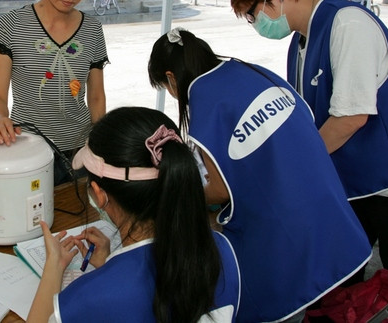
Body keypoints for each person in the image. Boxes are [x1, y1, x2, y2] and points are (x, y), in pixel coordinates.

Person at [147, 28, 371, 322]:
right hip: (333, 216)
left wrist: (177, 192)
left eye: (165, 86)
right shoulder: (249, 70)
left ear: (171, 78)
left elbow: (219, 191)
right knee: (336, 306)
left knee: (268, 299)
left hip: (288, 236)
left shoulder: (205, 97)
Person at [229, 0, 388, 282]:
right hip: (354, 186)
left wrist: (295, 166)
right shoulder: (301, 42)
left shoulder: (347, 24)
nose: (255, 23)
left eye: (252, 14)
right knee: (340, 279)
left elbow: (351, 117)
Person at [27, 106, 240, 323]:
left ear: (100, 195)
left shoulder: (87, 298)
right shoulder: (222, 251)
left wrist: (55, 266)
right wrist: (112, 266)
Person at [0, 0, 108, 185]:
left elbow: (96, 96)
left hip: (81, 150)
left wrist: (101, 140)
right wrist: (1, 119)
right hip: (28, 150)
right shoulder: (9, 26)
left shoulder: (93, 30)